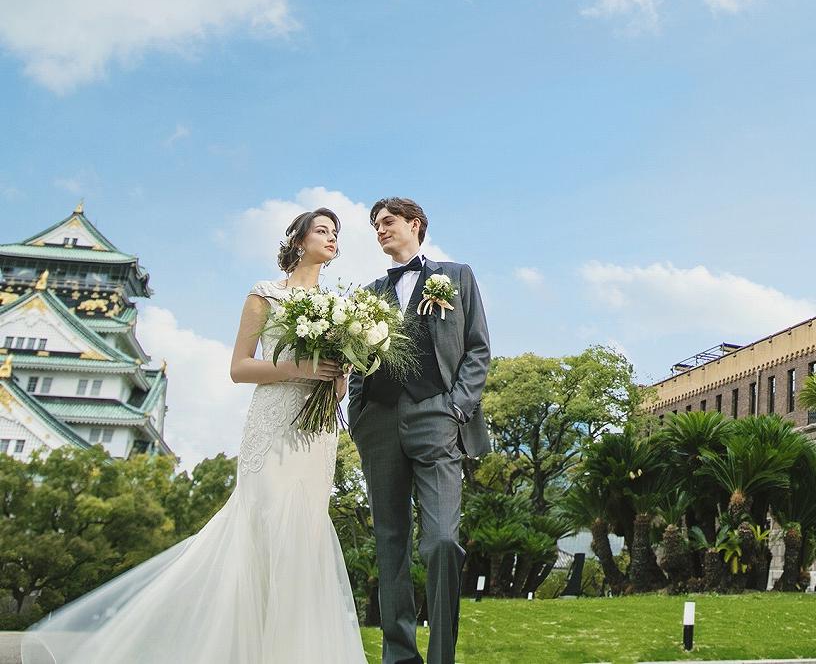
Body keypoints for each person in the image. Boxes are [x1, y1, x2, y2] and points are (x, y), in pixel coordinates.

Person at [22, 208, 363, 664]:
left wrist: (338, 374)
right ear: (299, 241)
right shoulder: (264, 295)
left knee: (306, 537)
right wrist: (296, 367)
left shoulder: (344, 309)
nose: (331, 237)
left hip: (315, 434)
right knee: (261, 527)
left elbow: (338, 386)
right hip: (273, 425)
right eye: (322, 230)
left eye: (336, 233)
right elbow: (239, 368)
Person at [348, 196, 490, 664]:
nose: (380, 230)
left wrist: (455, 410)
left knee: (443, 541)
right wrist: (359, 414)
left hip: (437, 415)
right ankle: (399, 657)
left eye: (387, 222)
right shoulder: (369, 293)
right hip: (380, 422)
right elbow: (355, 361)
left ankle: (441, 658)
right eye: (375, 225)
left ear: (415, 224)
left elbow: (477, 350)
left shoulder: (459, 276)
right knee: (390, 543)